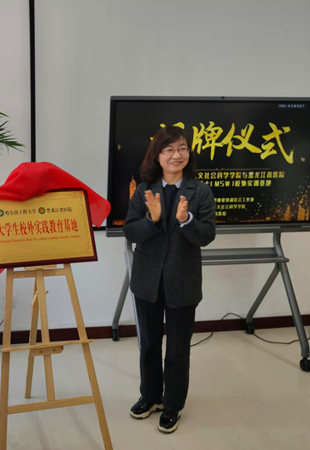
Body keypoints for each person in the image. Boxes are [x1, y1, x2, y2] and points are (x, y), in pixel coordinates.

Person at [124, 126, 216, 433]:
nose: (177, 155)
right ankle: (150, 397)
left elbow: (207, 235)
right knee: (149, 345)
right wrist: (151, 219)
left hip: (183, 281)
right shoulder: (144, 190)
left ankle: (173, 405)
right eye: (169, 149)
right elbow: (130, 232)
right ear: (158, 156)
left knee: (177, 350)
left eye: (182, 148)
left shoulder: (200, 192)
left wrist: (186, 220)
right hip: (147, 281)